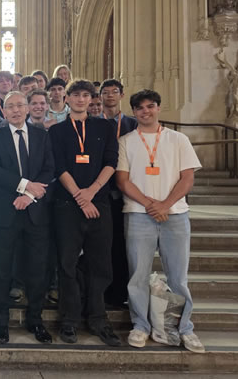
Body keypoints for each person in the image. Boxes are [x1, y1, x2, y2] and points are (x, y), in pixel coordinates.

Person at [116, 89, 205, 353]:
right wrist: (150, 204)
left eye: (150, 106)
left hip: (175, 214)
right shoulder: (126, 141)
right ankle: (141, 325)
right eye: (140, 108)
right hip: (138, 214)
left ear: (158, 108)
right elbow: (122, 180)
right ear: (134, 112)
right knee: (138, 275)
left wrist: (165, 205)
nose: (146, 111)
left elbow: (187, 178)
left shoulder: (178, 139)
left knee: (178, 277)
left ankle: (184, 328)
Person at [48, 79, 120, 347]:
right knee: (67, 263)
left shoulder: (105, 127)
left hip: (98, 202)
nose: (80, 99)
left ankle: (98, 319)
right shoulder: (57, 131)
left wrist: (92, 192)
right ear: (66, 98)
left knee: (99, 263)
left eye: (85, 95)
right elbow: (59, 167)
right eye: (75, 95)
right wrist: (80, 196)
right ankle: (69, 320)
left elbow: (111, 162)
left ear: (91, 99)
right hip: (68, 205)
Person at [0, 91, 55, 345]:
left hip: (36, 212)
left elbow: (49, 169)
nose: (15, 110)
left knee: (37, 269)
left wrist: (29, 196)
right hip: (6, 213)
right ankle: (1, 322)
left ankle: (35, 320)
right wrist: (25, 186)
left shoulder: (41, 135)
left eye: (19, 105)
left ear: (27, 108)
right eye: (10, 106)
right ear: (3, 111)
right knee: (3, 270)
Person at [99, 79, 138, 307]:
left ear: (122, 95)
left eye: (114, 92)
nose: (110, 96)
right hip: (102, 192)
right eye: (105, 92)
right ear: (100, 96)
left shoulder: (132, 124)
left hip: (128, 191)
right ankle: (102, 291)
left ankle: (122, 291)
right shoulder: (93, 122)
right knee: (103, 245)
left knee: (123, 245)